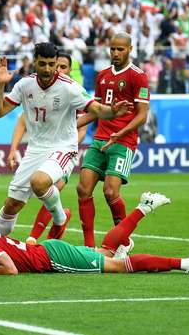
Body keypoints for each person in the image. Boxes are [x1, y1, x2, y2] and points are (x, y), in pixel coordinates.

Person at [0, 42, 132, 241]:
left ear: (56, 63)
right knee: (12, 203)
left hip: (63, 148)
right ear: (34, 62)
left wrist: (113, 111)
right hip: (35, 150)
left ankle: (59, 217)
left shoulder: (69, 87)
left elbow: (97, 110)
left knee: (39, 182)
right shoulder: (24, 85)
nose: (47, 69)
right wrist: (0, 85)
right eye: (42, 64)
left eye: (51, 64)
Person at [0, 192, 189, 276]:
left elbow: (9, 269)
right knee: (105, 252)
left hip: (52, 259)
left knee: (116, 266)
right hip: (47, 249)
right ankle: (144, 207)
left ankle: (188, 263)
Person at [73, 33, 150, 248]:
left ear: (130, 49)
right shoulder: (102, 75)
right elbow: (96, 111)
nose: (115, 53)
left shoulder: (138, 76)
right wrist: (71, 127)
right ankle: (89, 246)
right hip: (99, 140)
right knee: (83, 189)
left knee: (110, 191)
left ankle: (122, 242)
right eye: (113, 49)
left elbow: (142, 114)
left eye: (120, 49)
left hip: (123, 143)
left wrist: (121, 133)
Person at [14, 51, 88, 245]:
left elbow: (85, 124)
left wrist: (69, 139)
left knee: (51, 186)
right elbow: (22, 122)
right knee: (43, 189)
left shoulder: (73, 91)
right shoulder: (36, 90)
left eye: (63, 67)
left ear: (69, 69)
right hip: (40, 148)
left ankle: (35, 237)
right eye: (58, 66)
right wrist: (13, 149)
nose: (58, 70)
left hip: (62, 151)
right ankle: (57, 223)